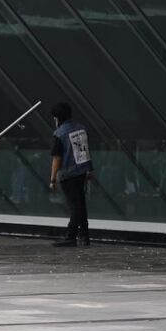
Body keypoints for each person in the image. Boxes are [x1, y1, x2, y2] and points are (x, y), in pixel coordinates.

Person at [49, 102, 92, 247]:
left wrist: (52, 179)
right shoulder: (81, 129)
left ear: (57, 118)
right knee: (81, 205)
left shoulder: (59, 134)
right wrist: (88, 169)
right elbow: (84, 151)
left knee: (75, 206)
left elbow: (56, 158)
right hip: (81, 171)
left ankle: (70, 236)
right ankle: (84, 236)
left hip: (68, 174)